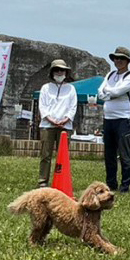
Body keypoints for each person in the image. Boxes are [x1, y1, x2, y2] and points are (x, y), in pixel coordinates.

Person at [98, 46, 130, 193]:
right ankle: (111, 183)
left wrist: (109, 92)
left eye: (121, 59)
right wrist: (110, 93)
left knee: (125, 154)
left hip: (123, 119)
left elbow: (117, 91)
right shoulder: (110, 75)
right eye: (116, 58)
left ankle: (125, 185)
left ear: (127, 61)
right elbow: (100, 92)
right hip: (108, 118)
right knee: (109, 154)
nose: (118, 61)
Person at [37, 59, 77, 187]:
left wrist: (65, 119)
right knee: (45, 155)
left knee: (63, 156)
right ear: (52, 72)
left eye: (62, 70)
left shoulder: (71, 89)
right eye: (57, 70)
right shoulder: (45, 88)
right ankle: (43, 181)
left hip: (65, 126)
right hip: (47, 125)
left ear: (66, 72)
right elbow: (42, 106)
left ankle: (61, 180)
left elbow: (73, 107)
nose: (59, 73)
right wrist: (51, 119)